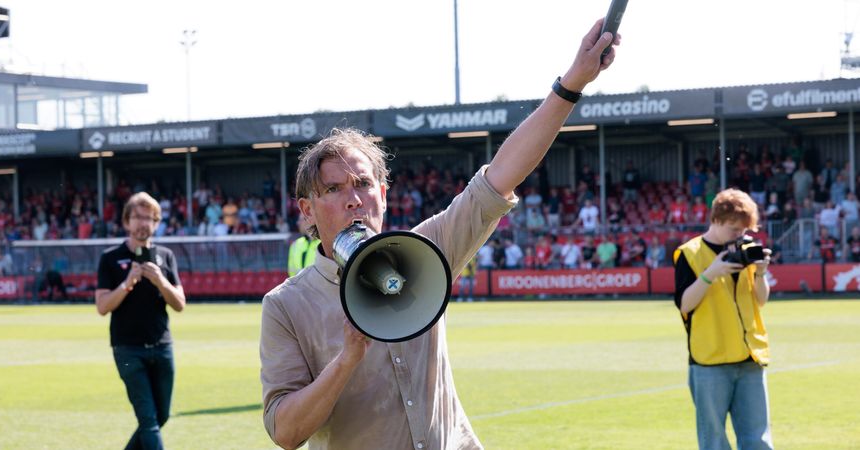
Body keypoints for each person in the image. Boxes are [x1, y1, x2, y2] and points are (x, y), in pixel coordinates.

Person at [259, 19, 619, 450]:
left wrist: (573, 82)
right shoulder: (285, 306)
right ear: (307, 210)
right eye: (333, 190)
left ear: (384, 194)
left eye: (363, 184)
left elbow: (500, 177)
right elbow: (285, 432)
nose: (353, 199)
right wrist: (348, 357)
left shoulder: (425, 251)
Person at [673, 188, 774, 450]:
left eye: (744, 230)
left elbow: (760, 301)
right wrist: (711, 273)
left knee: (759, 440)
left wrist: (761, 273)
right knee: (714, 442)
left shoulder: (747, 248)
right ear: (716, 219)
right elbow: (685, 304)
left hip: (749, 358)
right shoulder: (689, 253)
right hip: (710, 362)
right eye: (733, 228)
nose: (739, 235)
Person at [94, 192, 186, 450]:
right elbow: (102, 307)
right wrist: (127, 283)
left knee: (161, 415)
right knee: (148, 420)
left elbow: (179, 303)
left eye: (149, 218)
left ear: (156, 223)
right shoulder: (110, 258)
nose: (143, 223)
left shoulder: (165, 256)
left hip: (162, 346)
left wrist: (160, 280)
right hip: (128, 349)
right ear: (127, 221)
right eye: (137, 217)